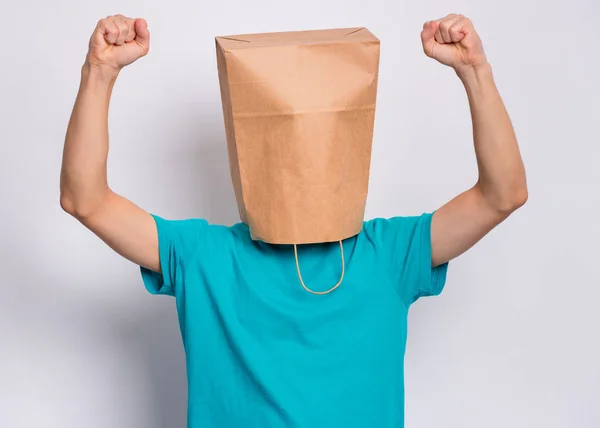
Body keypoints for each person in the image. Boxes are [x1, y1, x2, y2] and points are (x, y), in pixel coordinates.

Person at [60, 13, 527, 428]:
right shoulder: (205, 256)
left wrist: (474, 71)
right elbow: (85, 200)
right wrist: (98, 73)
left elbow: (502, 196)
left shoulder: (388, 254)